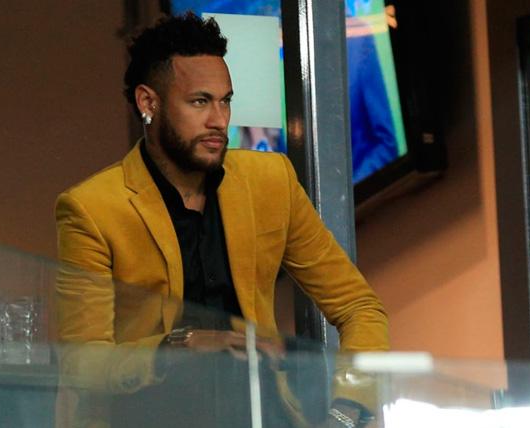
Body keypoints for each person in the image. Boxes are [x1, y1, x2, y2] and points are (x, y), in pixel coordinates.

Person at [55, 12, 389, 428]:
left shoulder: (271, 182)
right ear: (148, 102)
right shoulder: (92, 208)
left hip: (263, 416)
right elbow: (80, 363)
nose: (219, 120)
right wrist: (176, 346)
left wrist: (347, 412)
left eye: (225, 101)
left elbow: (359, 307)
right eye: (199, 101)